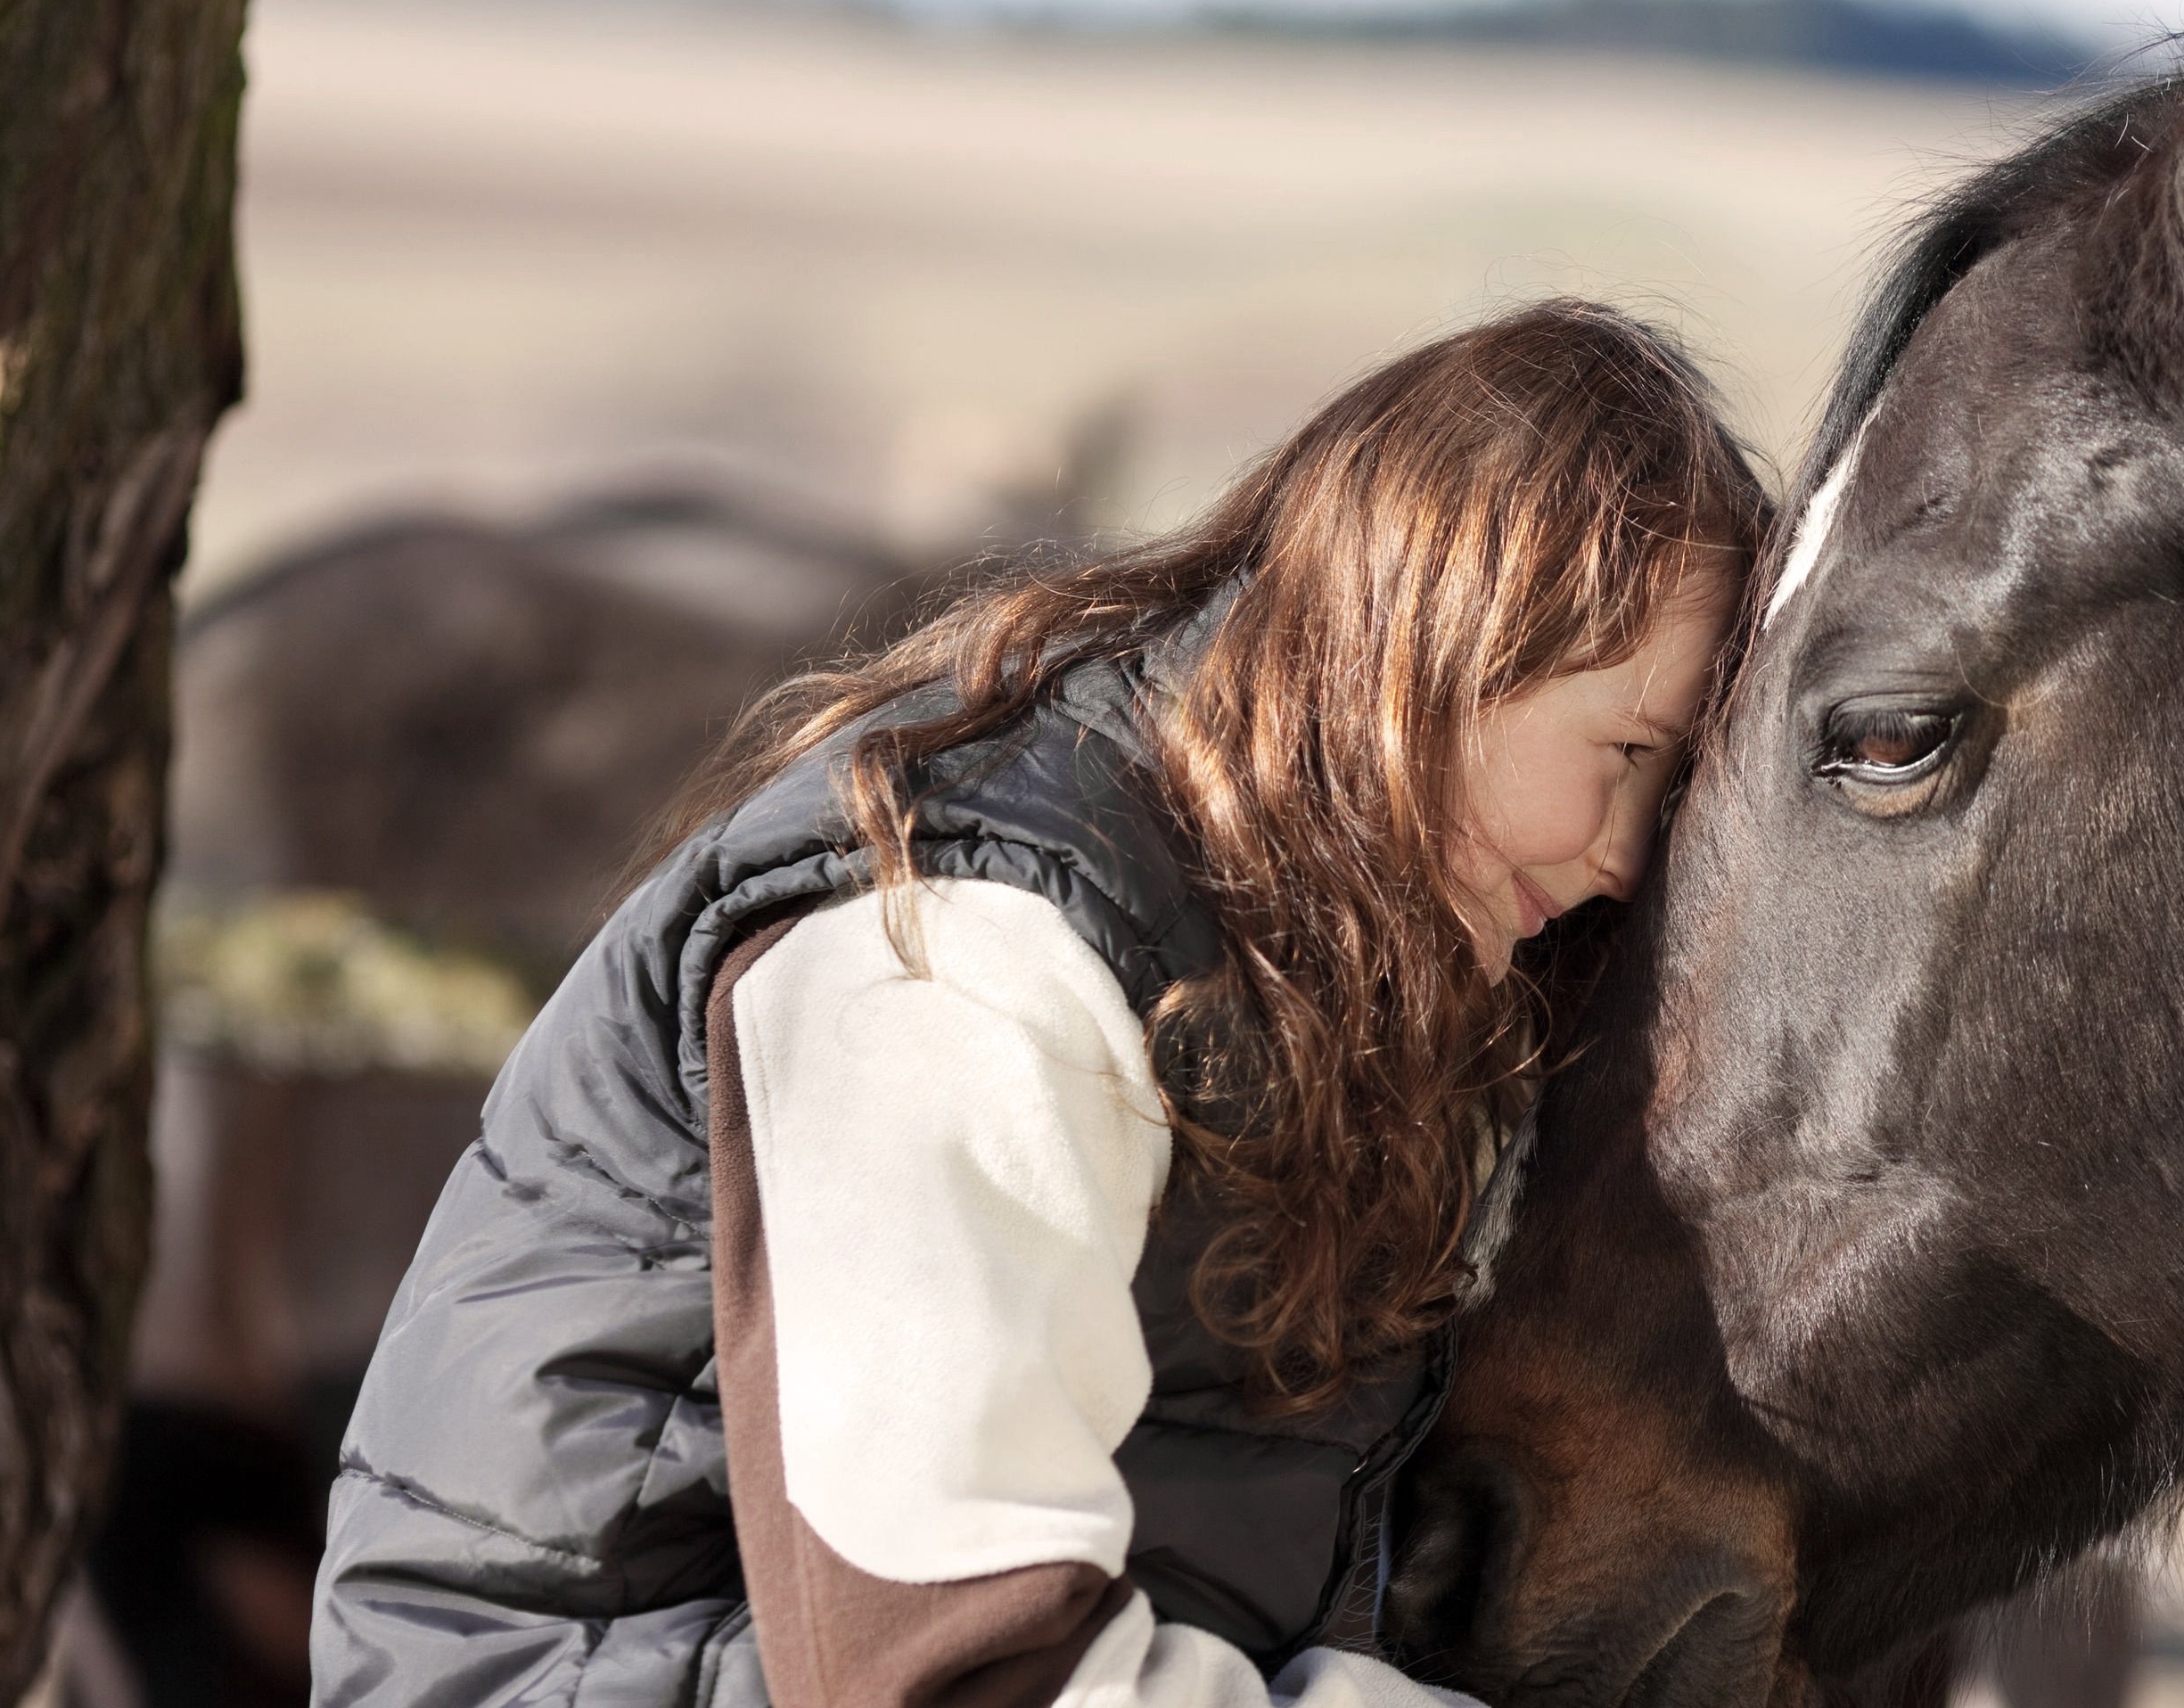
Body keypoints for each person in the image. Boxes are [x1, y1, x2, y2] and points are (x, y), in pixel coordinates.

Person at [308, 300, 1770, 1708]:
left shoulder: (1310, 958)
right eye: (1625, 751)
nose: (1626, 853)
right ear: (1441, 650)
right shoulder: (969, 951)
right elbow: (945, 1669)